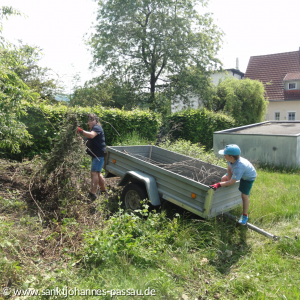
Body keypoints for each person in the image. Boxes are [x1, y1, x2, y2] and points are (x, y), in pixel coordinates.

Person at [209, 144, 256, 225]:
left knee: (244, 196)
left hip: (248, 177)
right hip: (237, 172)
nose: (223, 156)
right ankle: (224, 200)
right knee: (224, 179)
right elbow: (229, 168)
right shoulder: (230, 160)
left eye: (225, 155)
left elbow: (232, 182)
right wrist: (228, 178)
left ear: (231, 157)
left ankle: (244, 216)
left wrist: (218, 185)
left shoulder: (239, 166)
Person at [77, 113, 108, 201]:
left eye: (92, 119)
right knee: (98, 174)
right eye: (89, 119)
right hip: (96, 155)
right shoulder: (92, 130)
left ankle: (92, 193)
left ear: (96, 120)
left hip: (98, 155)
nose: (90, 121)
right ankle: (103, 190)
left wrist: (80, 130)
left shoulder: (97, 127)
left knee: (94, 173)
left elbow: (91, 135)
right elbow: (88, 139)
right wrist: (81, 139)